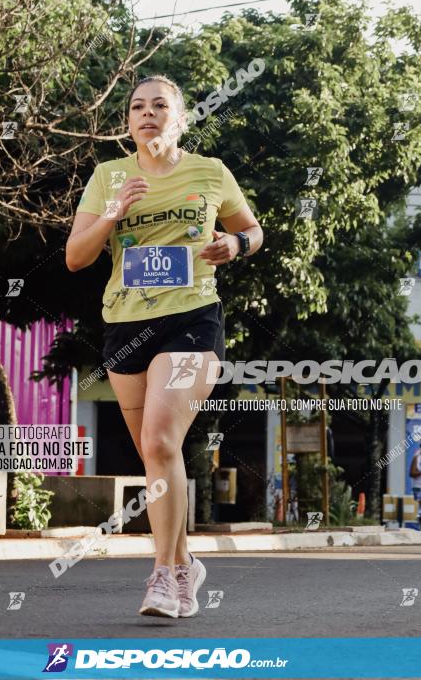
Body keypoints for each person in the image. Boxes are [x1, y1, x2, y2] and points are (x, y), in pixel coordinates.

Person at [66, 75, 263, 618]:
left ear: (180, 118)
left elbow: (254, 231)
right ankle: (184, 564)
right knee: (158, 454)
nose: (146, 114)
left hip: (192, 322)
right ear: (127, 122)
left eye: (159, 106)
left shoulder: (210, 172)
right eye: (136, 107)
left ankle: (163, 575)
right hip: (126, 325)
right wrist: (111, 215)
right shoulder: (108, 177)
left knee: (158, 439)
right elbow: (75, 258)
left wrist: (234, 243)